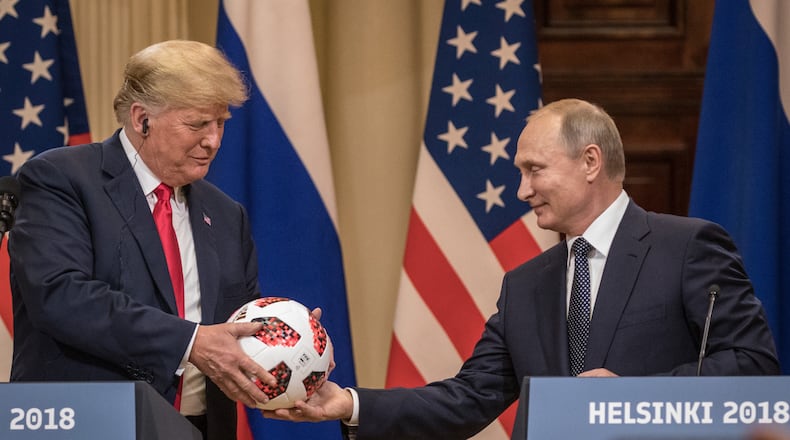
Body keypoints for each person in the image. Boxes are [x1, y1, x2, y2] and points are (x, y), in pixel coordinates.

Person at [266, 98, 780, 439]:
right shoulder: (526, 284)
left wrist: (631, 397)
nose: (522, 190)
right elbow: (469, 397)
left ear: (591, 162)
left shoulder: (686, 247)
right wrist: (349, 404)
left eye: (534, 170)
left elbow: (754, 366)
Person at [9, 40, 278, 439]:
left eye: (220, 123)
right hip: (87, 426)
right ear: (141, 119)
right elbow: (60, 295)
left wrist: (285, 339)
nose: (214, 140)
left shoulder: (226, 214)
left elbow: (235, 325)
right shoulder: (62, 179)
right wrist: (190, 342)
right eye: (197, 124)